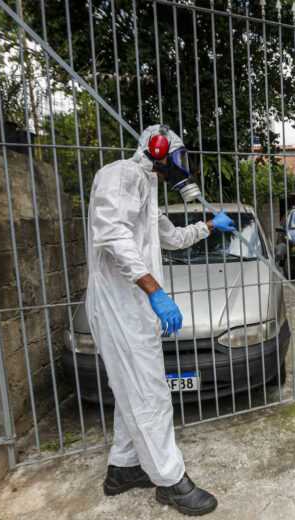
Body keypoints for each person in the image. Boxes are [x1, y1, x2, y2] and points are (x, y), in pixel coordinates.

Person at [86, 124, 235, 516]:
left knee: (132, 390)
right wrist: (155, 290)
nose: (183, 167)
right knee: (150, 392)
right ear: (158, 148)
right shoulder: (122, 175)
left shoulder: (148, 190)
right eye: (180, 157)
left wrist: (208, 226)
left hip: (134, 306)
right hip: (120, 304)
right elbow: (112, 234)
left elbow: (170, 237)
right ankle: (171, 481)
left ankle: (123, 469)